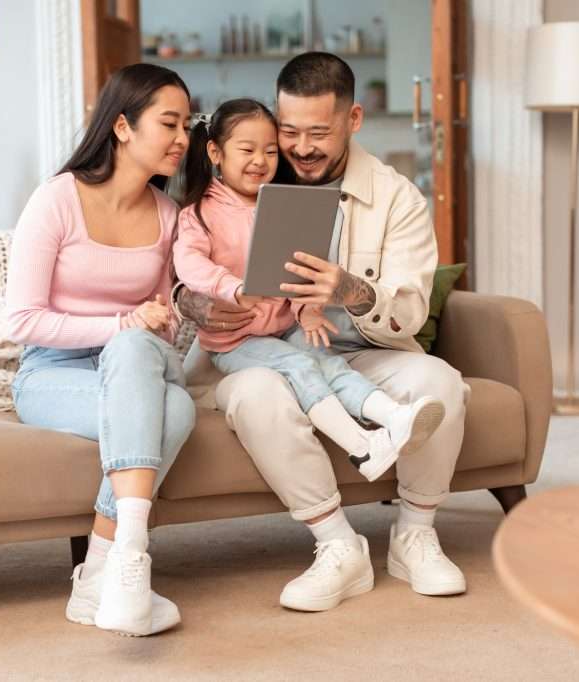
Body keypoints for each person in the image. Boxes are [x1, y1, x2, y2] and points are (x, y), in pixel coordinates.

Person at [174, 53, 470, 612]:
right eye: (288, 132)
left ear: (353, 119)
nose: (298, 149)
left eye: (319, 133)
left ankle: (414, 535)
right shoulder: (245, 173)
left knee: (441, 381)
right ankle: (338, 545)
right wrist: (193, 303)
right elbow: (177, 267)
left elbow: (407, 313)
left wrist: (347, 290)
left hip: (364, 350)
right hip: (259, 354)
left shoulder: (395, 196)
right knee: (262, 393)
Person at [5, 63, 195, 636]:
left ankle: (115, 568)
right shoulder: (56, 200)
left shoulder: (168, 217)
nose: (183, 139)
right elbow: (22, 320)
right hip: (52, 374)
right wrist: (120, 322)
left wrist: (175, 315)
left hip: (133, 365)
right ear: (121, 126)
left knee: (137, 351)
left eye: (188, 125)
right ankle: (112, 571)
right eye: (169, 123)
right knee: (178, 409)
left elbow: (159, 328)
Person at [173, 97, 445, 484]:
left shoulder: (279, 205)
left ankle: (393, 417)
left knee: (325, 359)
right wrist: (231, 288)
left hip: (283, 325)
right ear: (215, 152)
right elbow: (190, 265)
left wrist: (306, 311)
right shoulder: (199, 213)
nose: (260, 160)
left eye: (269, 151)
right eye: (247, 150)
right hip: (234, 340)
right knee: (299, 366)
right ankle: (362, 448)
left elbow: (292, 268)